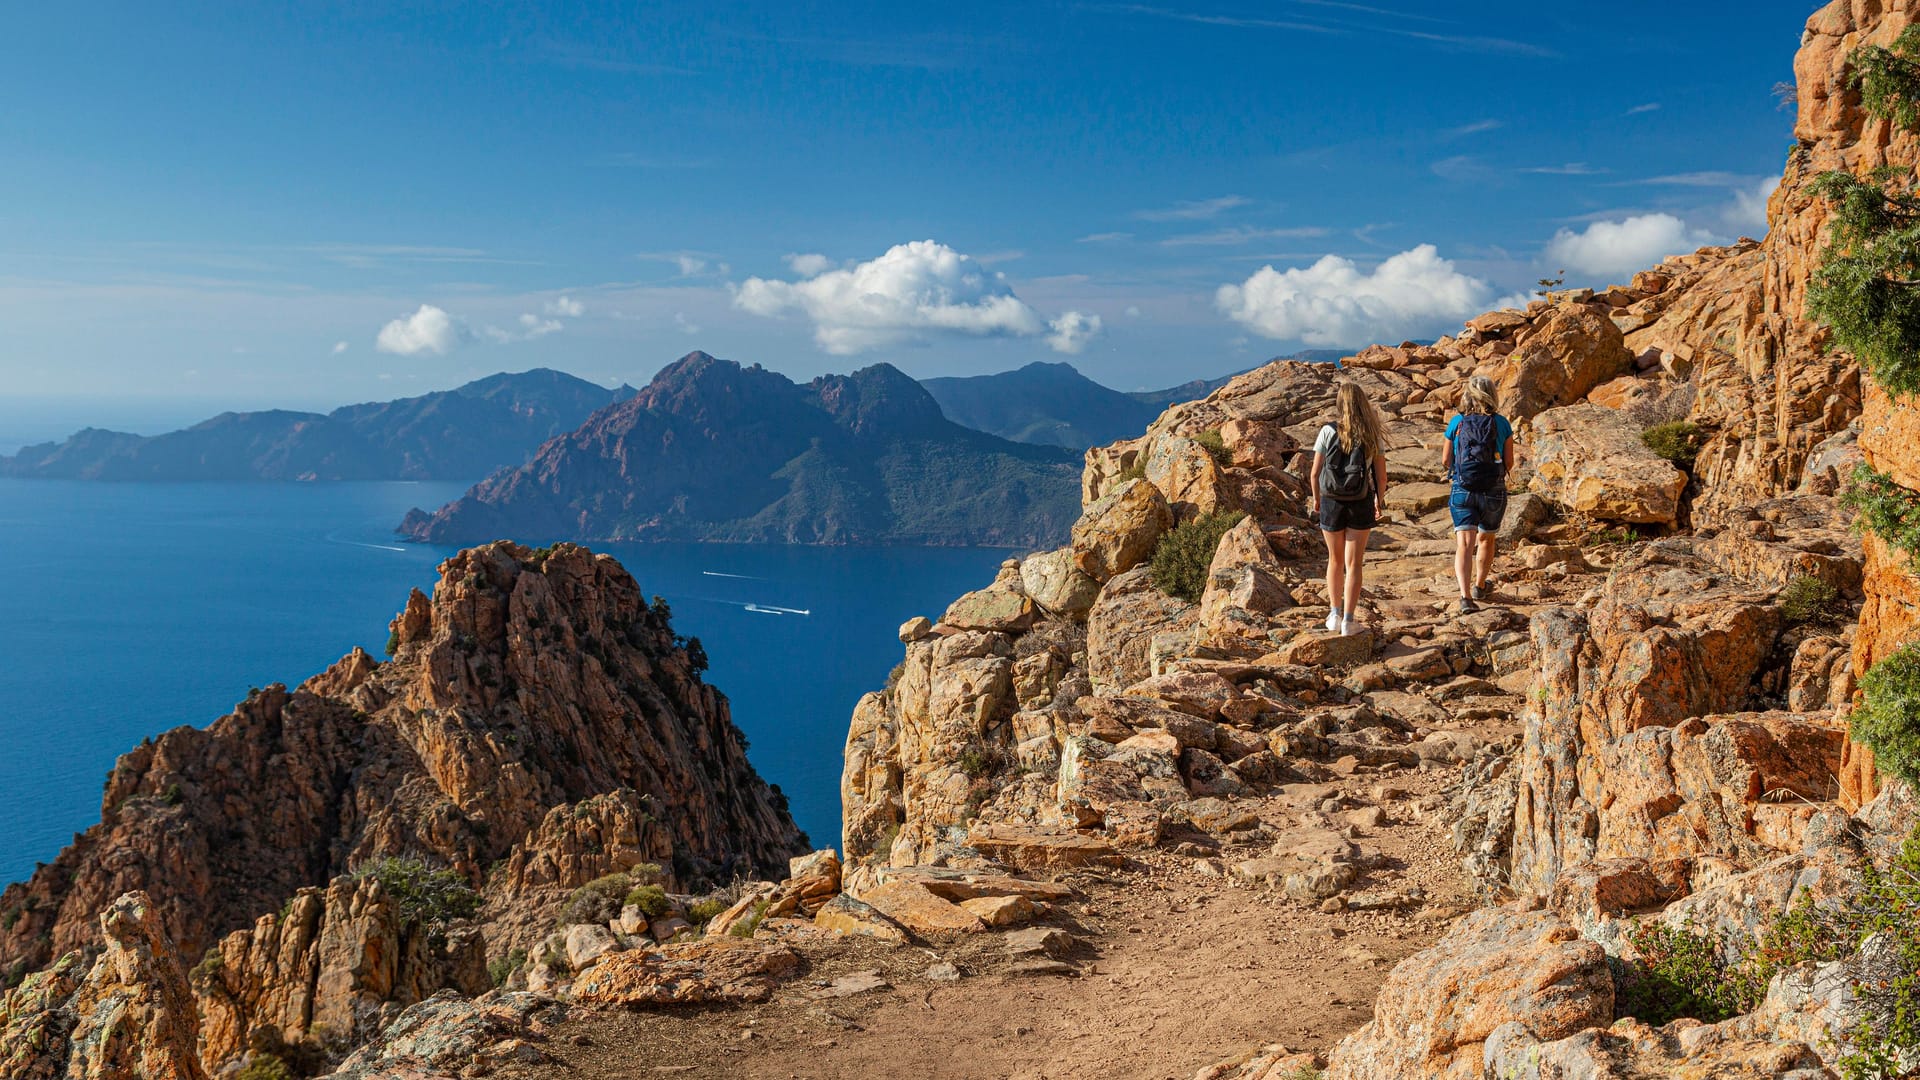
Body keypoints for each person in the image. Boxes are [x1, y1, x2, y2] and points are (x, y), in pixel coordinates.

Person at [1310, 381, 1389, 636]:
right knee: (1354, 564)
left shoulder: (1327, 431)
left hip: (1331, 500)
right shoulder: (1371, 434)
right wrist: (1380, 500)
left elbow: (1314, 473)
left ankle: (1334, 614)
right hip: (1360, 500)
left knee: (1334, 560)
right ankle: (1349, 620)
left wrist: (1316, 499)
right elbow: (1381, 476)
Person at [1442, 375, 1516, 614]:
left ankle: (1465, 597)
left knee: (1464, 543)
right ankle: (1480, 586)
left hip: (1463, 488)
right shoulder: (1502, 423)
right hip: (1493, 489)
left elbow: (1445, 460)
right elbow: (1510, 462)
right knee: (1487, 538)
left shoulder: (1457, 422)